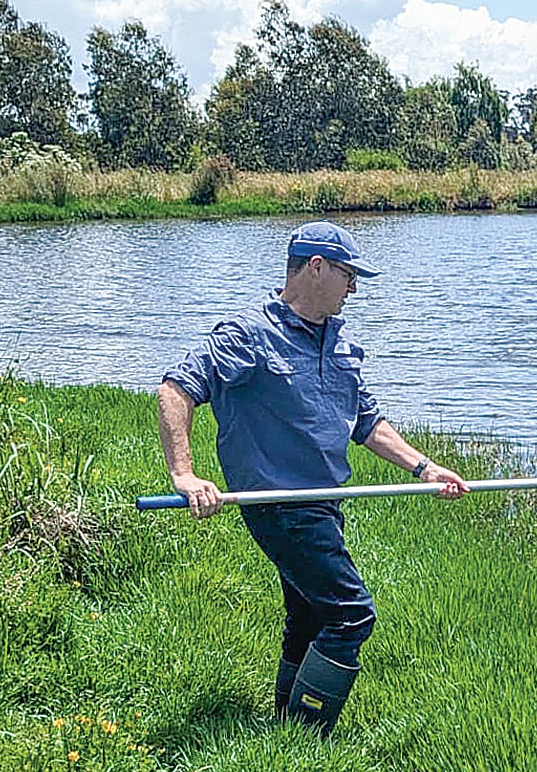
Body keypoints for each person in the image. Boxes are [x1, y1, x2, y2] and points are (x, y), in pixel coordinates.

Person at [157, 220, 467, 737]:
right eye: (349, 275)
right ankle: (307, 732)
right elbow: (175, 390)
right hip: (279, 505)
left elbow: (366, 422)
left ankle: (287, 724)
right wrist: (185, 475)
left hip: (323, 502)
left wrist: (424, 467)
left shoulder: (340, 343)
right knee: (351, 615)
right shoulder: (248, 335)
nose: (354, 289)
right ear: (316, 268)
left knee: (308, 615)